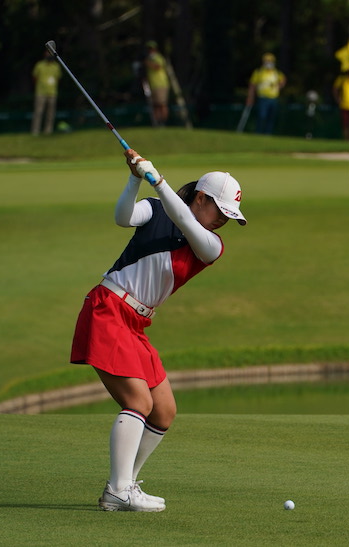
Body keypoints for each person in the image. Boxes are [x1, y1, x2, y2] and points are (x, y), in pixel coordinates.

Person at [70, 149, 247, 512]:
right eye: (221, 212)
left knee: (163, 410)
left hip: (135, 323)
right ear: (201, 198)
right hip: (108, 308)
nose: (223, 223)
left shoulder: (211, 246)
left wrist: (158, 180)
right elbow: (123, 217)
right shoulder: (154, 207)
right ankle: (118, 490)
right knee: (139, 402)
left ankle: (125, 485)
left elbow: (183, 219)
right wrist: (137, 178)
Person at [246, 53, 287, 135]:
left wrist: (279, 86)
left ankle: (268, 134)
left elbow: (283, 80)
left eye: (270, 61)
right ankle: (258, 133)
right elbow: (252, 85)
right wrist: (250, 97)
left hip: (273, 98)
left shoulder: (276, 73)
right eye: (267, 61)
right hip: (262, 98)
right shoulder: (259, 72)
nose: (269, 63)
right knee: (262, 116)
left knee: (271, 118)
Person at [31, 50, 61, 136]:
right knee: (38, 112)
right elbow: (34, 78)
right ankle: (35, 131)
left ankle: (48, 131)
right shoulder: (39, 65)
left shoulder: (56, 66)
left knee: (50, 113)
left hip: (52, 92)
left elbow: (58, 78)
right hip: (40, 92)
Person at [144, 41, 170, 126]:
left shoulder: (158, 58)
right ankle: (157, 123)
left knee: (162, 104)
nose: (150, 51)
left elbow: (157, 66)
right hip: (152, 85)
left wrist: (148, 63)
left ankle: (163, 122)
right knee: (155, 105)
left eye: (151, 49)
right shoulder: (149, 59)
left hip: (161, 84)